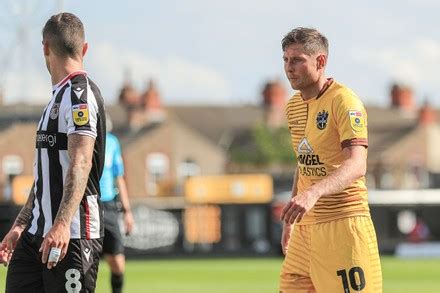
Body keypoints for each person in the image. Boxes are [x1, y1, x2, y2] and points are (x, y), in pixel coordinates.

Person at [0, 12, 106, 292]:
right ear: (84, 49)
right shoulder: (56, 98)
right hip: (36, 235)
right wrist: (23, 223)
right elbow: (48, 174)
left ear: (45, 47)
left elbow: (80, 163)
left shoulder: (79, 95)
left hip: (70, 236)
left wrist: (60, 225)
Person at [279, 27, 382, 292]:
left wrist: (312, 194)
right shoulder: (293, 106)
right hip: (305, 232)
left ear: (320, 61)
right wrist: (293, 218)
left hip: (343, 225)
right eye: (286, 60)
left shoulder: (344, 102)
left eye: (297, 60)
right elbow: (303, 163)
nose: (289, 68)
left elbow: (357, 164)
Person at [100, 117, 134, 293]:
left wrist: (127, 211)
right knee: (85, 263)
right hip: (86, 205)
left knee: (118, 264)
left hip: (109, 206)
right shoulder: (82, 141)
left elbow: (119, 177)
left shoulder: (113, 143)